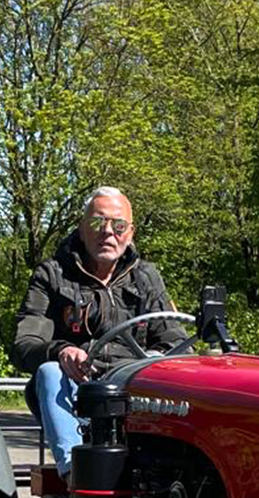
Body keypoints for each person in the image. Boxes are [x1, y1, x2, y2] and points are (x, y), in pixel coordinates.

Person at [12, 187, 181, 473]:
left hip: (134, 390)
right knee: (50, 372)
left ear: (130, 233)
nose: (108, 232)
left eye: (118, 225)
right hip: (80, 389)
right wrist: (61, 351)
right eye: (97, 223)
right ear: (81, 228)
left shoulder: (146, 278)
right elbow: (24, 343)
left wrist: (154, 359)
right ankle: (74, 474)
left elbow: (176, 341)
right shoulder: (52, 275)